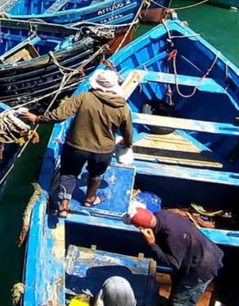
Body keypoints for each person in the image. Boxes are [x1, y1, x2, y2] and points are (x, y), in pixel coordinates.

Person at [20, 69, 133, 218]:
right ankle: (89, 200)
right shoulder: (123, 108)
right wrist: (128, 144)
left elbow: (59, 115)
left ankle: (63, 208)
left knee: (68, 174)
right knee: (96, 174)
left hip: (76, 146)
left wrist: (37, 119)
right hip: (103, 150)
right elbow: (128, 132)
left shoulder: (83, 97)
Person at [125, 208, 224, 306]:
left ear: (140, 227)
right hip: (195, 255)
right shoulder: (162, 214)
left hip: (203, 266)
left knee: (179, 302)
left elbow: (173, 263)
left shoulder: (172, 237)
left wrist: (152, 244)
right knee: (176, 286)